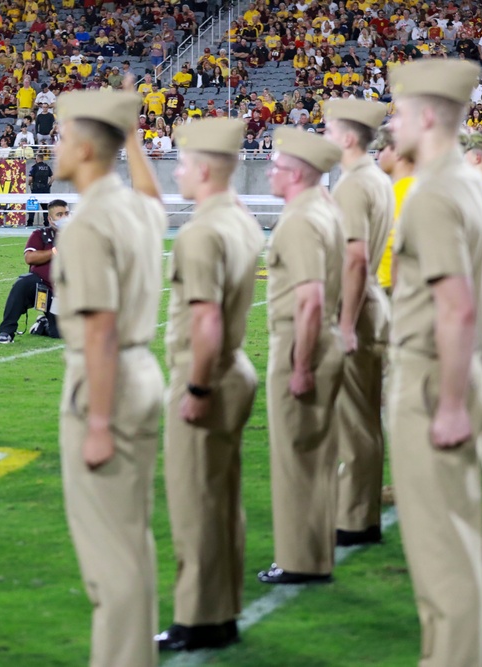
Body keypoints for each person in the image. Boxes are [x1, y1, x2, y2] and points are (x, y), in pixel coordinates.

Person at [387, 59, 482, 667]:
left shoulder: (433, 194)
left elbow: (456, 309)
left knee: (441, 556)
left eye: (400, 111)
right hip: (451, 370)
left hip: (434, 376)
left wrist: (450, 403)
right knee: (456, 542)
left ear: (427, 115)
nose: (393, 122)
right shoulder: (467, 184)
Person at [51, 87, 167, 667]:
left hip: (109, 383)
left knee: (109, 556)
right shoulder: (133, 208)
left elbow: (98, 329)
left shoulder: (89, 222)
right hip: (143, 374)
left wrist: (96, 421)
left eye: (63, 134)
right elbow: (153, 197)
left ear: (85, 148)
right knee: (132, 538)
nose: (56, 144)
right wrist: (134, 139)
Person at [155, 118, 263, 652]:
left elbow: (206, 321)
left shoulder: (202, 230)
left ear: (202, 169)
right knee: (222, 499)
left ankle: (198, 619)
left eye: (181, 163)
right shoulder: (239, 219)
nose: (176, 173)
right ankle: (222, 609)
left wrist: (195, 390)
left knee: (195, 502)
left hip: (208, 373)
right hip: (235, 368)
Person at [257, 127, 345, 586]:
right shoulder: (323, 210)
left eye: (275, 166)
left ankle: (298, 560)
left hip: (300, 340)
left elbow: (309, 299)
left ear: (295, 173)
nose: (269, 172)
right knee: (316, 455)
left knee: (296, 458)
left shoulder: (299, 219)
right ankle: (314, 554)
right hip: (321, 334)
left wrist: (302, 365)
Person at [322, 98, 394, 546]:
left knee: (353, 419)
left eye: (330, 130)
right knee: (365, 416)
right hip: (372, 302)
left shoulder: (353, 184)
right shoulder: (377, 178)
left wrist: (345, 323)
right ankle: (362, 512)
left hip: (358, 304)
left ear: (348, 138)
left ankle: (352, 517)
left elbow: (353, 258)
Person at [0, 199, 68, 344]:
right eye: (59, 214)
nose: (64, 218)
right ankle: (6, 332)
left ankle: (43, 324)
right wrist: (55, 251)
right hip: (43, 290)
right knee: (24, 282)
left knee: (60, 333)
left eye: (66, 213)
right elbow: (29, 257)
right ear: (50, 219)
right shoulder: (41, 235)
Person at [372, 125, 415, 294]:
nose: (377, 155)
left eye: (382, 149)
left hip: (398, 288)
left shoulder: (404, 193)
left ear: (397, 151)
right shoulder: (403, 189)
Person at [27, 151, 54, 226]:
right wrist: (49, 184)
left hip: (36, 189)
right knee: (45, 207)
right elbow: (53, 177)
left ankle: (30, 222)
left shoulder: (34, 167)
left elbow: (30, 178)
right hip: (45, 189)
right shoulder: (47, 167)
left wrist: (30, 184)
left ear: (37, 159)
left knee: (33, 206)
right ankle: (46, 222)